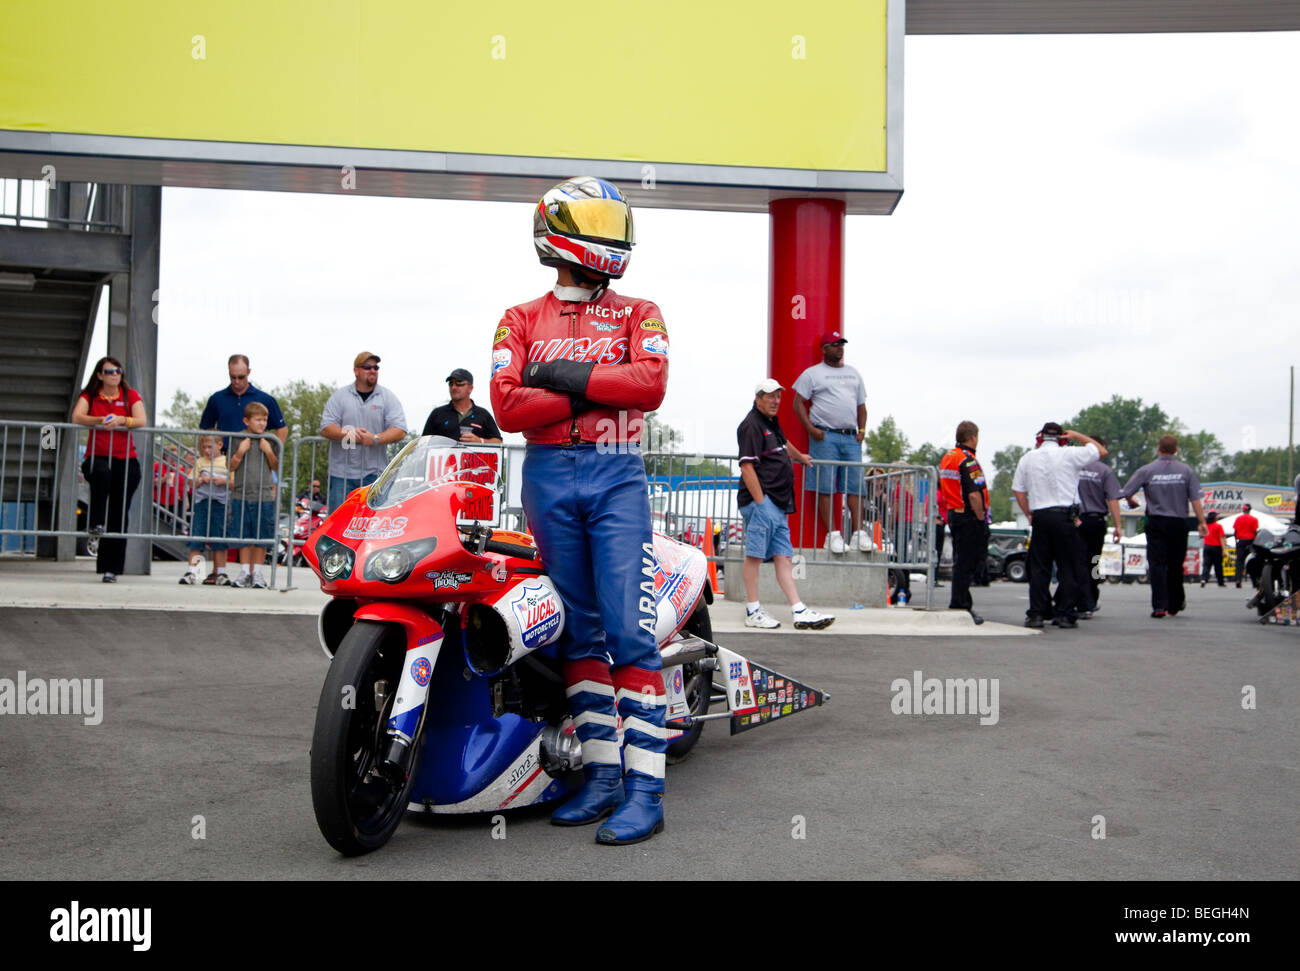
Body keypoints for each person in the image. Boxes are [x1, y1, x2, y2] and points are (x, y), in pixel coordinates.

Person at [490, 176, 669, 846]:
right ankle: (601, 775)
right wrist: (599, 388)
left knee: (629, 631)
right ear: (554, 230)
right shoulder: (517, 316)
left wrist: (555, 377)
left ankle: (645, 788)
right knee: (577, 633)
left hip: (617, 476)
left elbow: (648, 386)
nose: (610, 232)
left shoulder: (640, 311)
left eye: (614, 219)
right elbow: (508, 407)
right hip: (547, 478)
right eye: (594, 219)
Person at [736, 379, 836, 631]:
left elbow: (783, 442)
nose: (775, 401)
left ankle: (799, 610)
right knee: (755, 556)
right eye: (770, 396)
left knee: (784, 558)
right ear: (757, 398)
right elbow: (747, 467)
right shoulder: (751, 425)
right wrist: (761, 504)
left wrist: (800, 456)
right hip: (762, 503)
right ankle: (752, 610)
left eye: (778, 396)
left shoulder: (771, 423)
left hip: (777, 505)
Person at [1012, 423, 1107, 629]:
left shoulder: (1028, 458)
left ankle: (1037, 614)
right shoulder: (1070, 453)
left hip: (1041, 517)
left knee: (1039, 568)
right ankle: (1064, 613)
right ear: (1062, 438)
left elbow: (1018, 490)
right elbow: (1100, 450)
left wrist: (1028, 512)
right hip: (1066, 516)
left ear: (1040, 438)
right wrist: (1078, 435)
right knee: (1070, 567)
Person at [71, 356, 148, 582]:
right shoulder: (91, 395)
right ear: (99, 375)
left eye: (118, 370)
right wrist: (100, 420)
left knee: (119, 513)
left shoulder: (129, 395)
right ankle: (95, 521)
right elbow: (77, 416)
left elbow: (141, 419)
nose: (115, 374)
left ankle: (110, 569)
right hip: (97, 456)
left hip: (125, 459)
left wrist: (122, 420)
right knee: (101, 473)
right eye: (109, 371)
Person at [792, 332, 869, 554]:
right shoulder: (813, 374)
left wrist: (862, 430)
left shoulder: (854, 373)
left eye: (842, 344)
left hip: (851, 436)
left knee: (856, 486)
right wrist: (811, 429)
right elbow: (798, 402)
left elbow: (861, 406)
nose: (840, 348)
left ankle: (858, 533)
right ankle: (833, 534)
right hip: (824, 435)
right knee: (823, 485)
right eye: (835, 345)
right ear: (824, 349)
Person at [1118, 435, 1208, 618]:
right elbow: (1195, 499)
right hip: (1178, 522)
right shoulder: (1186, 471)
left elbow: (1126, 491)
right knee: (1175, 564)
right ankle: (1174, 604)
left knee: (1157, 564)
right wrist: (1202, 522)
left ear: (1158, 449)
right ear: (1176, 450)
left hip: (1156, 521)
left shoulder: (1147, 470)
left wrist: (1132, 501)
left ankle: (1159, 605)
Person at [320, 352, 408, 510]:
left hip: (375, 474)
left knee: (372, 524)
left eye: (376, 367)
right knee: (338, 525)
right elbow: (326, 427)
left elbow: (400, 429)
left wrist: (375, 438)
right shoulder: (339, 397)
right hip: (341, 474)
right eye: (367, 367)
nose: (373, 370)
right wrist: (348, 434)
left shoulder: (387, 397)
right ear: (356, 371)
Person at [939, 421, 988, 625]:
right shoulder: (968, 461)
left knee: (961, 561)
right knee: (966, 563)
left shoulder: (947, 458)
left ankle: (961, 601)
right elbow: (975, 494)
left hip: (953, 512)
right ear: (973, 437)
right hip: (968, 515)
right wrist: (980, 518)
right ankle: (960, 604)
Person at [228, 401, 281, 589]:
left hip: (264, 494)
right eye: (258, 420)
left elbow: (277, 466)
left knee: (261, 535)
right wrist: (240, 452)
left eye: (264, 420)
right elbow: (230, 466)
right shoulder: (237, 438)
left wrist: (268, 452)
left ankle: (257, 572)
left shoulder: (271, 440)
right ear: (246, 421)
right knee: (244, 535)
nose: (262, 424)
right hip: (241, 493)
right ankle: (244, 571)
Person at [1074, 434, 1123, 615]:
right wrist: (1118, 525)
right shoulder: (1104, 471)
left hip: (1075, 520)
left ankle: (1078, 600)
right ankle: (1091, 600)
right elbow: (1113, 499)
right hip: (1096, 521)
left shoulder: (1073, 466)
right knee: (1093, 562)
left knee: (1077, 562)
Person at [199, 354, 288, 452]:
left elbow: (282, 429)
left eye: (241, 377)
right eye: (233, 377)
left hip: (255, 458)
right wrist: (204, 457)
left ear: (248, 372)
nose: (236, 381)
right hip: (224, 458)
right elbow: (204, 429)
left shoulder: (266, 399)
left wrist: (272, 455)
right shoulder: (216, 399)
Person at [179, 434, 233, 585]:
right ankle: (192, 571)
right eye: (204, 448)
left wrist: (223, 481)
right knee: (197, 536)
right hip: (201, 502)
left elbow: (234, 482)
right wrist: (201, 479)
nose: (206, 451)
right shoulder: (200, 462)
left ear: (220, 445)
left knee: (220, 538)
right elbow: (191, 482)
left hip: (220, 504)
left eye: (210, 447)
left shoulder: (228, 462)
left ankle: (221, 572)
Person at [421, 369, 503, 444]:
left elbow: (499, 442)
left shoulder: (483, 414)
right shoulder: (437, 414)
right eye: (451, 383)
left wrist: (480, 441)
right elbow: (424, 442)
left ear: (470, 388)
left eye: (459, 383)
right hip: (444, 459)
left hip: (472, 460)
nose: (454, 387)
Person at [1230, 502, 1259, 588]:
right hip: (1250, 542)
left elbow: (1235, 532)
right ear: (1250, 510)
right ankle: (1254, 581)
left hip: (1240, 541)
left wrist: (1236, 542)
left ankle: (1238, 579)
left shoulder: (1238, 519)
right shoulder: (1254, 519)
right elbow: (1255, 531)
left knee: (1239, 562)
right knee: (1252, 562)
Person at [1201, 511, 1226, 587]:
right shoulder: (1218, 526)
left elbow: (1201, 535)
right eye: (1217, 515)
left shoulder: (1205, 525)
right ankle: (1220, 581)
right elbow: (1221, 538)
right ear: (1214, 517)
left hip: (1207, 546)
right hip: (1216, 547)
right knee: (1218, 565)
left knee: (1206, 565)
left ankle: (1204, 579)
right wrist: (1224, 549)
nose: (1217, 517)